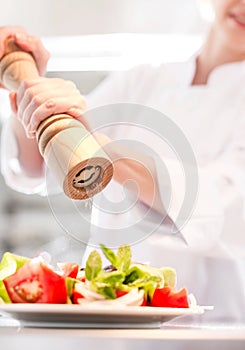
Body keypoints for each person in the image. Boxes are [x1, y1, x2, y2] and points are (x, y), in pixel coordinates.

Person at [1, 0, 245, 323]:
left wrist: (99, 145)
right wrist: (31, 92)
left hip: (209, 333)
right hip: (99, 318)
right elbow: (37, 168)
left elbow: (213, 203)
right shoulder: (143, 79)